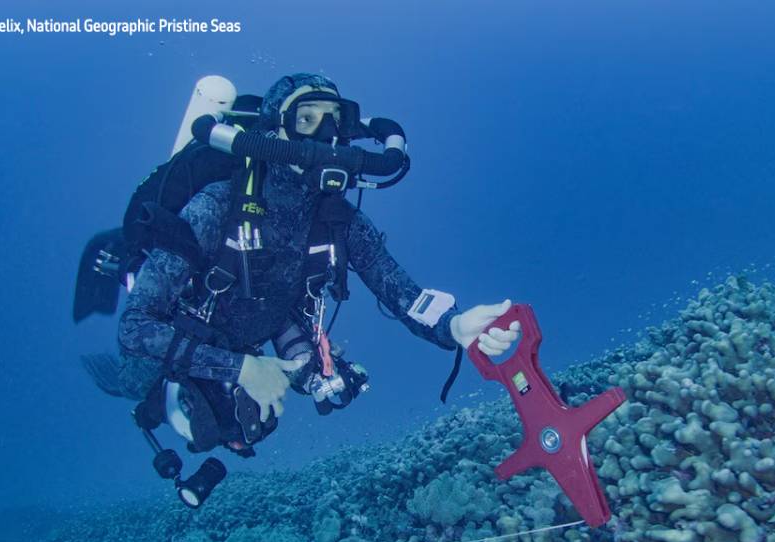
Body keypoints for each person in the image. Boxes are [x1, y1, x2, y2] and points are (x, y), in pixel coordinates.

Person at [114, 73, 520, 462]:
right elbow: (135, 328)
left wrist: (453, 326)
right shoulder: (218, 206)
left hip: (259, 334)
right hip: (179, 339)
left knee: (247, 422)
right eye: (306, 119)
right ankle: (152, 403)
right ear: (274, 132)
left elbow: (403, 295)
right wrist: (242, 369)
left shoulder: (339, 220)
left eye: (335, 120)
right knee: (144, 389)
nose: (325, 135)